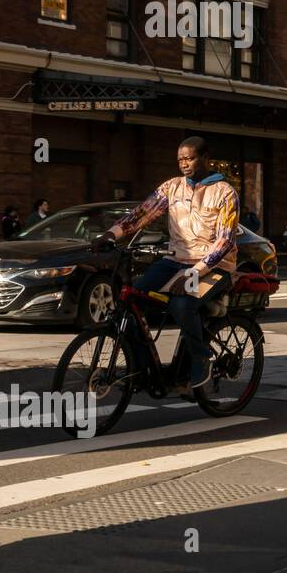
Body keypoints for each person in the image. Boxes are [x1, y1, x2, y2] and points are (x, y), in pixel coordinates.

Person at [93, 136, 238, 392]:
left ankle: (200, 356)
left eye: (190, 158)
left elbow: (225, 241)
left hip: (214, 266)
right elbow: (142, 213)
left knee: (182, 304)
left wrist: (194, 272)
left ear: (205, 158)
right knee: (133, 299)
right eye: (180, 159)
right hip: (175, 260)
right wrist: (111, 234)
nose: (184, 164)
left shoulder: (225, 193)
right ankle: (140, 368)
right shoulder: (172, 188)